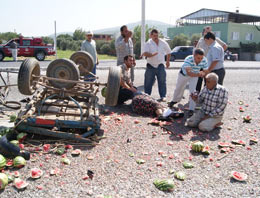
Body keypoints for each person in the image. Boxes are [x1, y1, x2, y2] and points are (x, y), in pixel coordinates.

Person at [168, 48, 208, 117]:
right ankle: (174, 100)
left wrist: (203, 73)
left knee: (193, 91)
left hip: (195, 74)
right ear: (194, 55)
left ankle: (191, 109)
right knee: (179, 88)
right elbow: (189, 73)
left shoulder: (204, 60)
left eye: (201, 58)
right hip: (184, 74)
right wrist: (199, 74)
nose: (200, 60)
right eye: (198, 58)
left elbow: (205, 71)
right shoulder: (188, 59)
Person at [142, 29, 171, 102]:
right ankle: (147, 96)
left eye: (157, 35)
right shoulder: (148, 43)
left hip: (160, 65)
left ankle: (163, 96)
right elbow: (145, 53)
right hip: (150, 66)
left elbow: (169, 51)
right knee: (148, 82)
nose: (156, 37)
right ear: (151, 35)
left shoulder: (163, 42)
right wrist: (151, 55)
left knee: (162, 81)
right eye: (154, 35)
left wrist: (168, 62)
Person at [196, 26, 227, 91]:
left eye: (206, 40)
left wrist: (208, 70)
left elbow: (215, 61)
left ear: (210, 39)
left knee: (216, 89)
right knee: (208, 87)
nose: (206, 42)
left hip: (216, 70)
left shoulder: (215, 47)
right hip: (209, 68)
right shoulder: (212, 46)